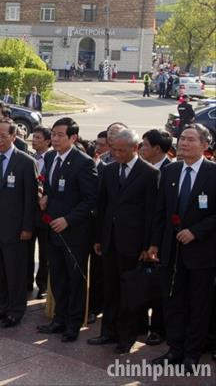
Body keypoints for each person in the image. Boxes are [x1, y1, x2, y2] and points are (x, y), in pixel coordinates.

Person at [148, 124, 216, 369]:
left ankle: (192, 354)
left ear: (205, 145)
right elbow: (161, 211)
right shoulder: (170, 171)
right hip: (171, 251)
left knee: (199, 305)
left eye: (190, 139)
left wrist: (196, 231)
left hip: (202, 252)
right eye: (182, 138)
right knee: (173, 302)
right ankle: (174, 349)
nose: (184, 143)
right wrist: (154, 243)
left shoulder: (212, 173)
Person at [88, 129, 159, 354]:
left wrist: (148, 245)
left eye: (121, 150)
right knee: (110, 289)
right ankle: (107, 332)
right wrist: (99, 237)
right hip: (109, 240)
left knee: (129, 292)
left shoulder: (149, 173)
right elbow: (102, 206)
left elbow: (152, 213)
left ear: (134, 148)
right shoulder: (109, 170)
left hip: (133, 243)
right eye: (114, 150)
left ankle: (126, 337)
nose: (116, 154)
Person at [36, 117, 97, 343]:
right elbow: (51, 187)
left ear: (73, 137)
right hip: (52, 228)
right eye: (53, 134)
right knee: (58, 277)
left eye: (60, 135)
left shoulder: (83, 162)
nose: (55, 139)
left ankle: (73, 324)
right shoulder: (50, 157)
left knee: (75, 280)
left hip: (74, 232)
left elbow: (91, 200)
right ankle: (59, 318)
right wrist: (46, 197)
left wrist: (68, 220)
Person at [0, 119, 38, 327]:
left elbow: (30, 199)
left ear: (14, 136)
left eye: (3, 136)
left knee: (14, 271)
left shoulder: (26, 162)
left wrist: (27, 227)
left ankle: (15, 311)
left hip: (15, 227)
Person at [28, 125, 52, 299]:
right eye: (33, 137)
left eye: (38, 138)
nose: (34, 141)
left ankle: (42, 284)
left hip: (45, 214)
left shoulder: (52, 159)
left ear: (48, 141)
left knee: (45, 252)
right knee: (26, 250)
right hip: (29, 213)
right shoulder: (28, 158)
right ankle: (25, 281)